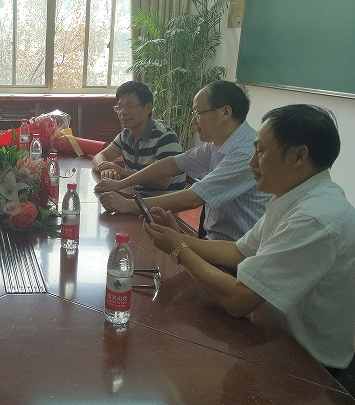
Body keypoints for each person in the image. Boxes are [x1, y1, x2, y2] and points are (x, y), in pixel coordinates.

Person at [144, 104, 355, 374]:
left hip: (308, 365)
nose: (252, 162)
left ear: (299, 156)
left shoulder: (314, 218)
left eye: (261, 151)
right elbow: (239, 251)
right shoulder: (296, 196)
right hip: (272, 335)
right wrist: (178, 236)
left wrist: (179, 250)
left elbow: (238, 300)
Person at [95, 80, 271, 241]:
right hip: (213, 241)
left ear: (225, 112)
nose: (193, 120)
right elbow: (172, 164)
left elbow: (193, 198)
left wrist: (128, 205)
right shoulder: (217, 145)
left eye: (198, 113)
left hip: (237, 254)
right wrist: (120, 184)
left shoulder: (246, 152)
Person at [92, 80, 185, 196]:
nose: (123, 112)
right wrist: (106, 168)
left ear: (148, 107)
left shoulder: (165, 137)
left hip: (163, 204)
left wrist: (124, 172)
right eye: (119, 107)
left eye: (129, 106)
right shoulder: (125, 135)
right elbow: (99, 156)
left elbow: (162, 182)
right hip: (137, 198)